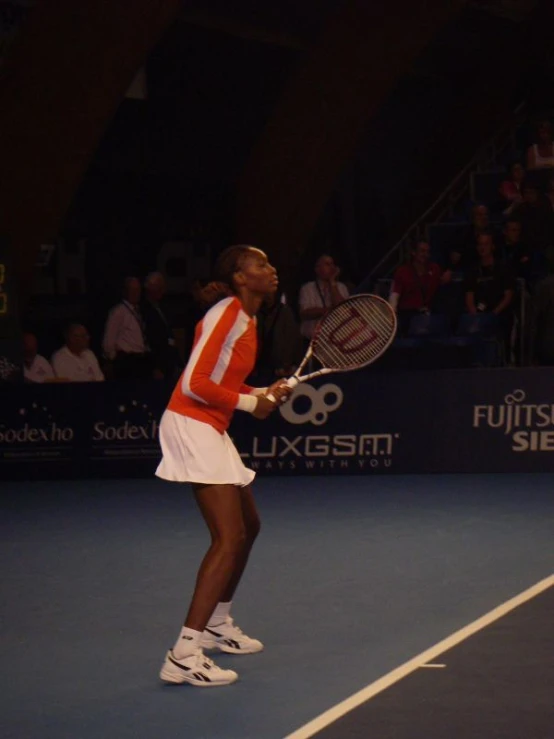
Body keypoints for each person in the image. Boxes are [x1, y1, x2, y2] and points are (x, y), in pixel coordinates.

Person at [156, 245, 292, 688]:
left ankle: (217, 624)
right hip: (191, 423)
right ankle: (184, 653)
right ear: (239, 276)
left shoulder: (247, 319)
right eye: (260, 265)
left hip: (211, 427)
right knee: (227, 537)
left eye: (270, 264)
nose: (270, 271)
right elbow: (195, 383)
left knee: (248, 527)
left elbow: (224, 381)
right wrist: (253, 403)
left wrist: (260, 390)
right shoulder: (227, 314)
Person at [389, 241, 451, 334]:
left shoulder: (434, 269)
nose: (425, 254)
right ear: (413, 252)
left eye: (427, 252)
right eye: (422, 251)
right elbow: (394, 295)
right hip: (409, 315)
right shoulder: (402, 271)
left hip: (430, 315)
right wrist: (393, 317)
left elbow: (443, 281)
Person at [102, 276, 152, 380]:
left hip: (141, 359)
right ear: (126, 291)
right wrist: (116, 360)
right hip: (127, 361)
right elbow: (108, 341)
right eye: (132, 290)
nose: (136, 293)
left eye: (138, 290)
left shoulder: (138, 311)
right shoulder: (118, 312)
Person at [254, 292, 303, 381]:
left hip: (278, 367)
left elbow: (291, 340)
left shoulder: (285, 312)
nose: (267, 296)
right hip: (259, 365)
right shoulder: (255, 313)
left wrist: (287, 364)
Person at [298, 254, 349, 340]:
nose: (332, 267)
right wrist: (331, 310)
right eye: (328, 264)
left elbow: (342, 309)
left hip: (335, 341)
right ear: (317, 269)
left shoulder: (341, 287)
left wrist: (332, 283)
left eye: (333, 264)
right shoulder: (308, 288)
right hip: (312, 340)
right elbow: (305, 313)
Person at [141, 272, 179, 381]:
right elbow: (149, 339)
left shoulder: (163, 307)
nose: (163, 291)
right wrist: (155, 366)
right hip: (157, 363)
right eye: (159, 288)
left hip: (169, 359)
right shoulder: (144, 310)